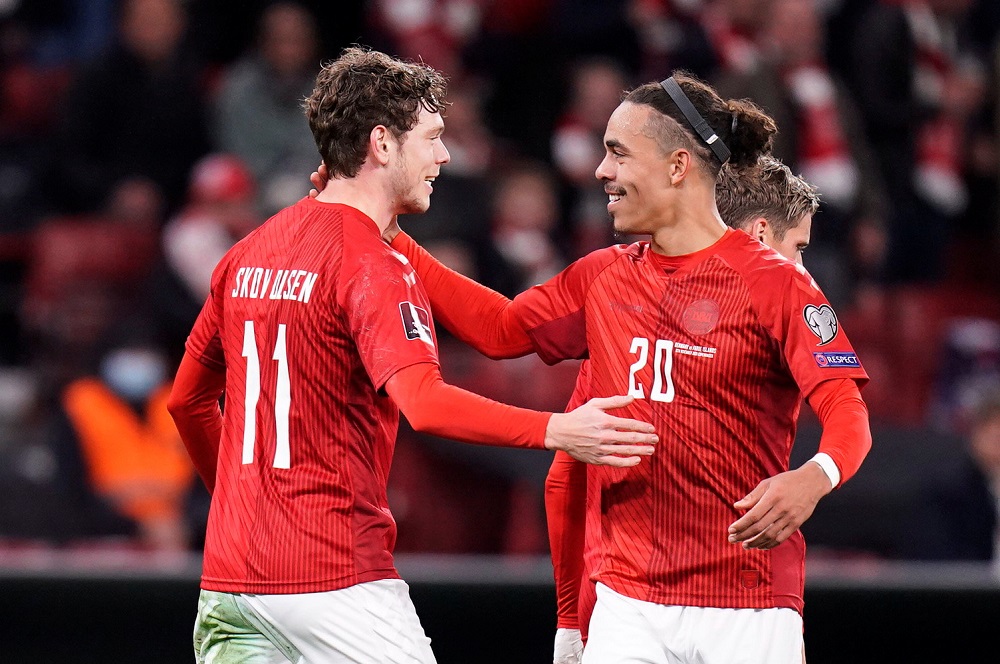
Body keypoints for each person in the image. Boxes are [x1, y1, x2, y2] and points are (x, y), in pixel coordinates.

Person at [166, 47, 657, 664]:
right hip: (334, 579)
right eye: (431, 137)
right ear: (382, 144)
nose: (444, 156)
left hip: (231, 581)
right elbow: (423, 403)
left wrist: (243, 512)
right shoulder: (370, 265)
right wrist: (559, 428)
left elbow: (187, 402)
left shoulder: (246, 252)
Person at [377, 71, 872, 663]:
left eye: (617, 153)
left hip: (749, 602)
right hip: (627, 603)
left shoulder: (775, 282)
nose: (600, 172)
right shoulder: (602, 275)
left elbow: (848, 410)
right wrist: (393, 238)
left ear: (677, 165)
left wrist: (813, 477)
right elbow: (500, 330)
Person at [546, 154, 822, 663]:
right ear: (761, 233)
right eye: (798, 247)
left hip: (635, 604)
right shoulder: (780, 301)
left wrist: (569, 619)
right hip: (721, 600)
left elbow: (564, 478)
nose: (802, 267)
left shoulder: (624, 321)